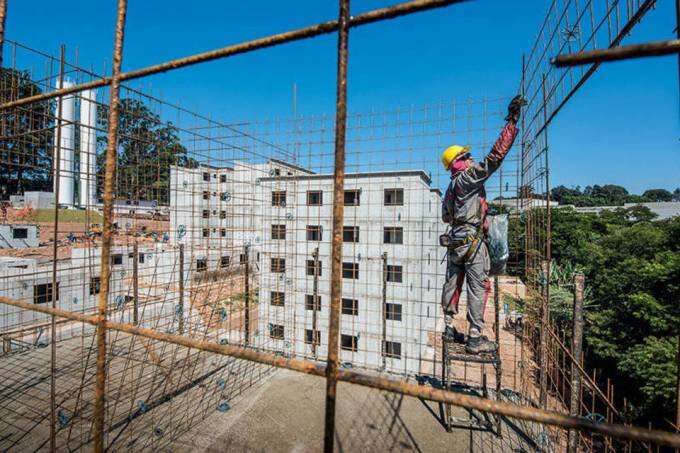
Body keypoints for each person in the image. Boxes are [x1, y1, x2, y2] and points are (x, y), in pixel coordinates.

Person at [439, 95, 525, 354]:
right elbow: (495, 158)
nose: (471, 159)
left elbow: (446, 216)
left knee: (453, 283)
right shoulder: (467, 179)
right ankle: (475, 337)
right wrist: (511, 123)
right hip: (472, 241)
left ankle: (448, 327)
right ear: (458, 163)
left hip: (455, 241)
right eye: (466, 156)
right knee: (478, 286)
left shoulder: (451, 187)